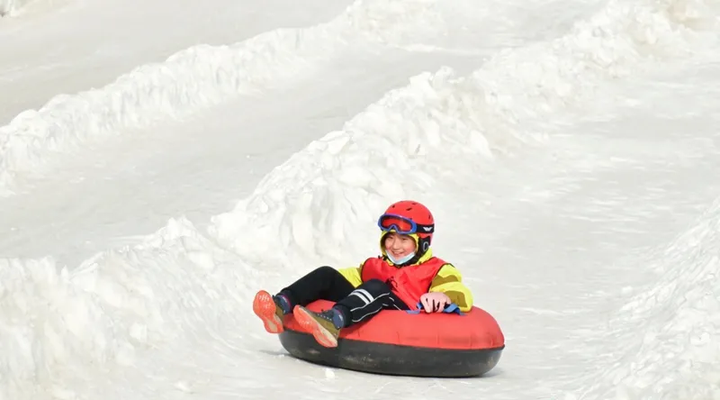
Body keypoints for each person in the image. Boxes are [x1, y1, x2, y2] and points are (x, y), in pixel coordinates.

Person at [252, 200, 474, 348]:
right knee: (327, 274)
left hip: (403, 311)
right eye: (389, 237)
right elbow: (345, 279)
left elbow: (458, 291)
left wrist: (444, 297)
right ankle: (279, 306)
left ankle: (334, 320)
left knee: (378, 287)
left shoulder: (437, 268)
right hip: (369, 299)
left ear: (422, 243)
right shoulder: (374, 265)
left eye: (404, 240)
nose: (394, 246)